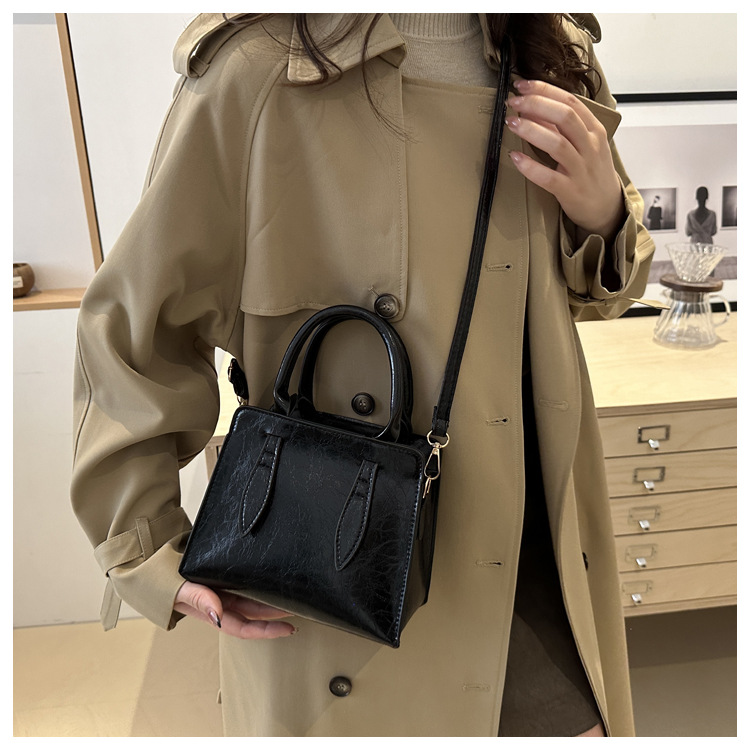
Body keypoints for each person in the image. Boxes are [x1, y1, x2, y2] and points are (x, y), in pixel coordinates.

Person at [71, 13, 654, 737]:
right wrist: (145, 542)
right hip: (341, 553)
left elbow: (599, 294)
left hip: (541, 551)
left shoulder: (554, 48)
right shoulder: (259, 67)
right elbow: (135, 325)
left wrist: (602, 213)